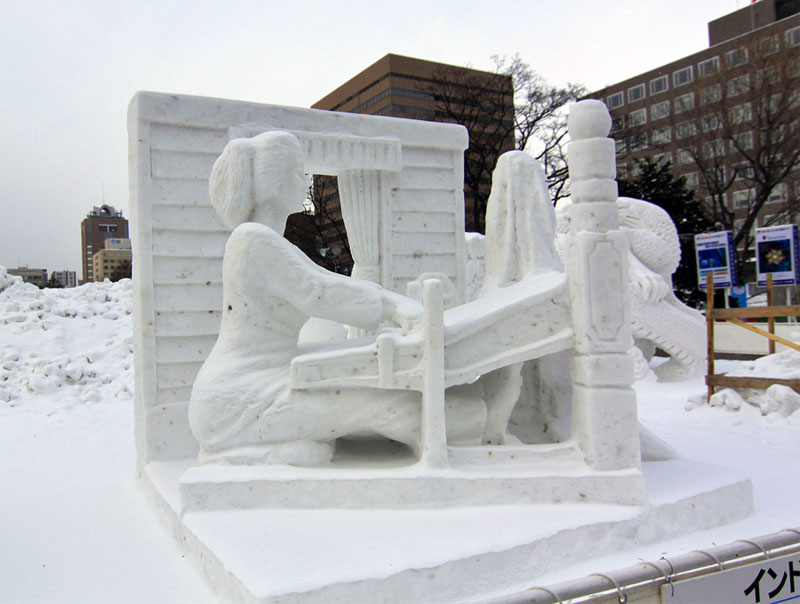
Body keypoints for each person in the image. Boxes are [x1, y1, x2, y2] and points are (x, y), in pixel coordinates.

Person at [189, 131, 484, 466]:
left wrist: (393, 306)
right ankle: (475, 423)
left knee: (378, 390)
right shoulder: (253, 240)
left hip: (248, 388)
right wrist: (395, 307)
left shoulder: (266, 241)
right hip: (240, 398)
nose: (304, 181)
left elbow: (324, 281)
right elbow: (320, 293)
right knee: (392, 406)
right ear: (275, 183)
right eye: (298, 172)